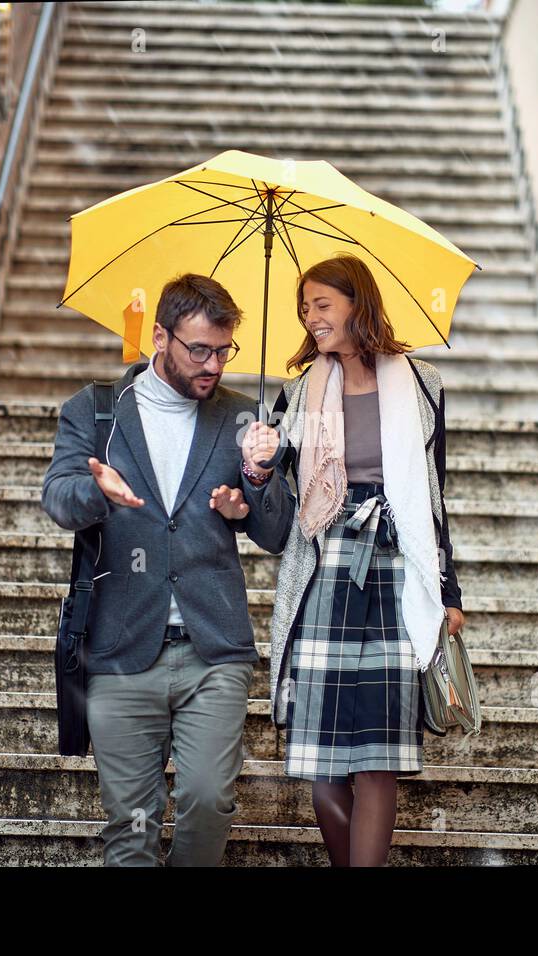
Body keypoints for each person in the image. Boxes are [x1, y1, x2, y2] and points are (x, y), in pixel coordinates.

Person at [41, 273, 292, 866]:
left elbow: (279, 533)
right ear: (159, 336)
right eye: (198, 349)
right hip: (121, 646)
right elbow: (57, 498)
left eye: (223, 350)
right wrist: (96, 492)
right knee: (131, 827)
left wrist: (256, 480)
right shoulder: (97, 411)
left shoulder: (241, 419)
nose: (212, 365)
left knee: (208, 800)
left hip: (214, 648)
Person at [265, 253, 465, 866]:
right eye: (305, 309)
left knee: (379, 753)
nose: (311, 317)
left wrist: (449, 593)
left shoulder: (421, 383)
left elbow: (433, 494)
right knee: (319, 755)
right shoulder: (296, 393)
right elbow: (272, 503)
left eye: (323, 304)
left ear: (358, 305)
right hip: (323, 566)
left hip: (397, 568)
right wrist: (259, 458)